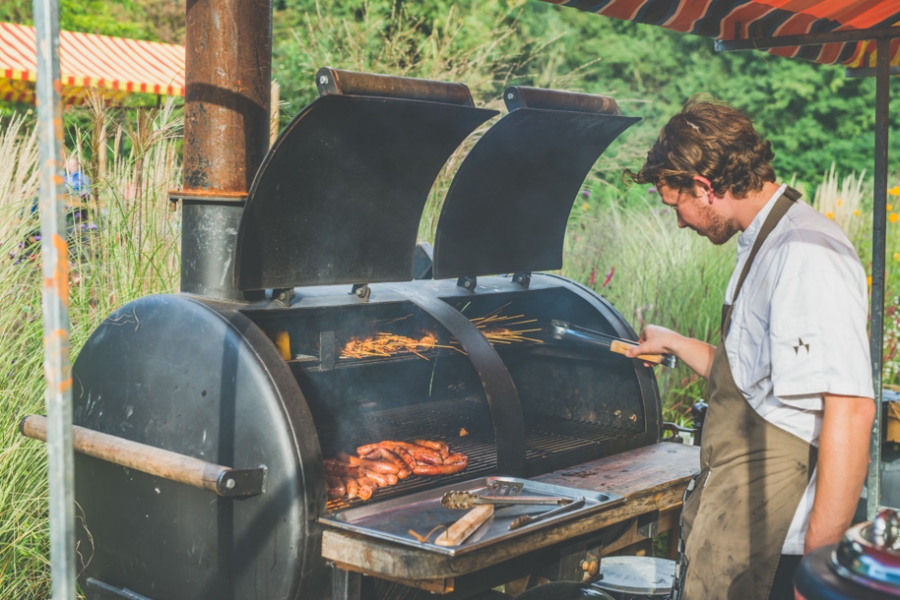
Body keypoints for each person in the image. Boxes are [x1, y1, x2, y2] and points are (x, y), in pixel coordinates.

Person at [623, 99, 875, 600]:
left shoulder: (804, 254)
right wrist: (674, 342)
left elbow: (850, 411)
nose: (679, 223)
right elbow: (758, 379)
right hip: (741, 515)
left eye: (677, 206)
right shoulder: (764, 241)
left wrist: (819, 572)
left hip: (782, 543)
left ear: (705, 187)